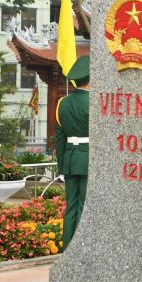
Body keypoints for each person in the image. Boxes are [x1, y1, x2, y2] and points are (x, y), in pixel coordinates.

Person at [55, 55, 90, 249]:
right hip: (87, 159)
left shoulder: (63, 103)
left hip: (69, 160)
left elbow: (59, 139)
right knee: (84, 205)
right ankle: (79, 249)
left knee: (70, 207)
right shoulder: (94, 103)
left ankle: (67, 247)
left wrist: (61, 167)